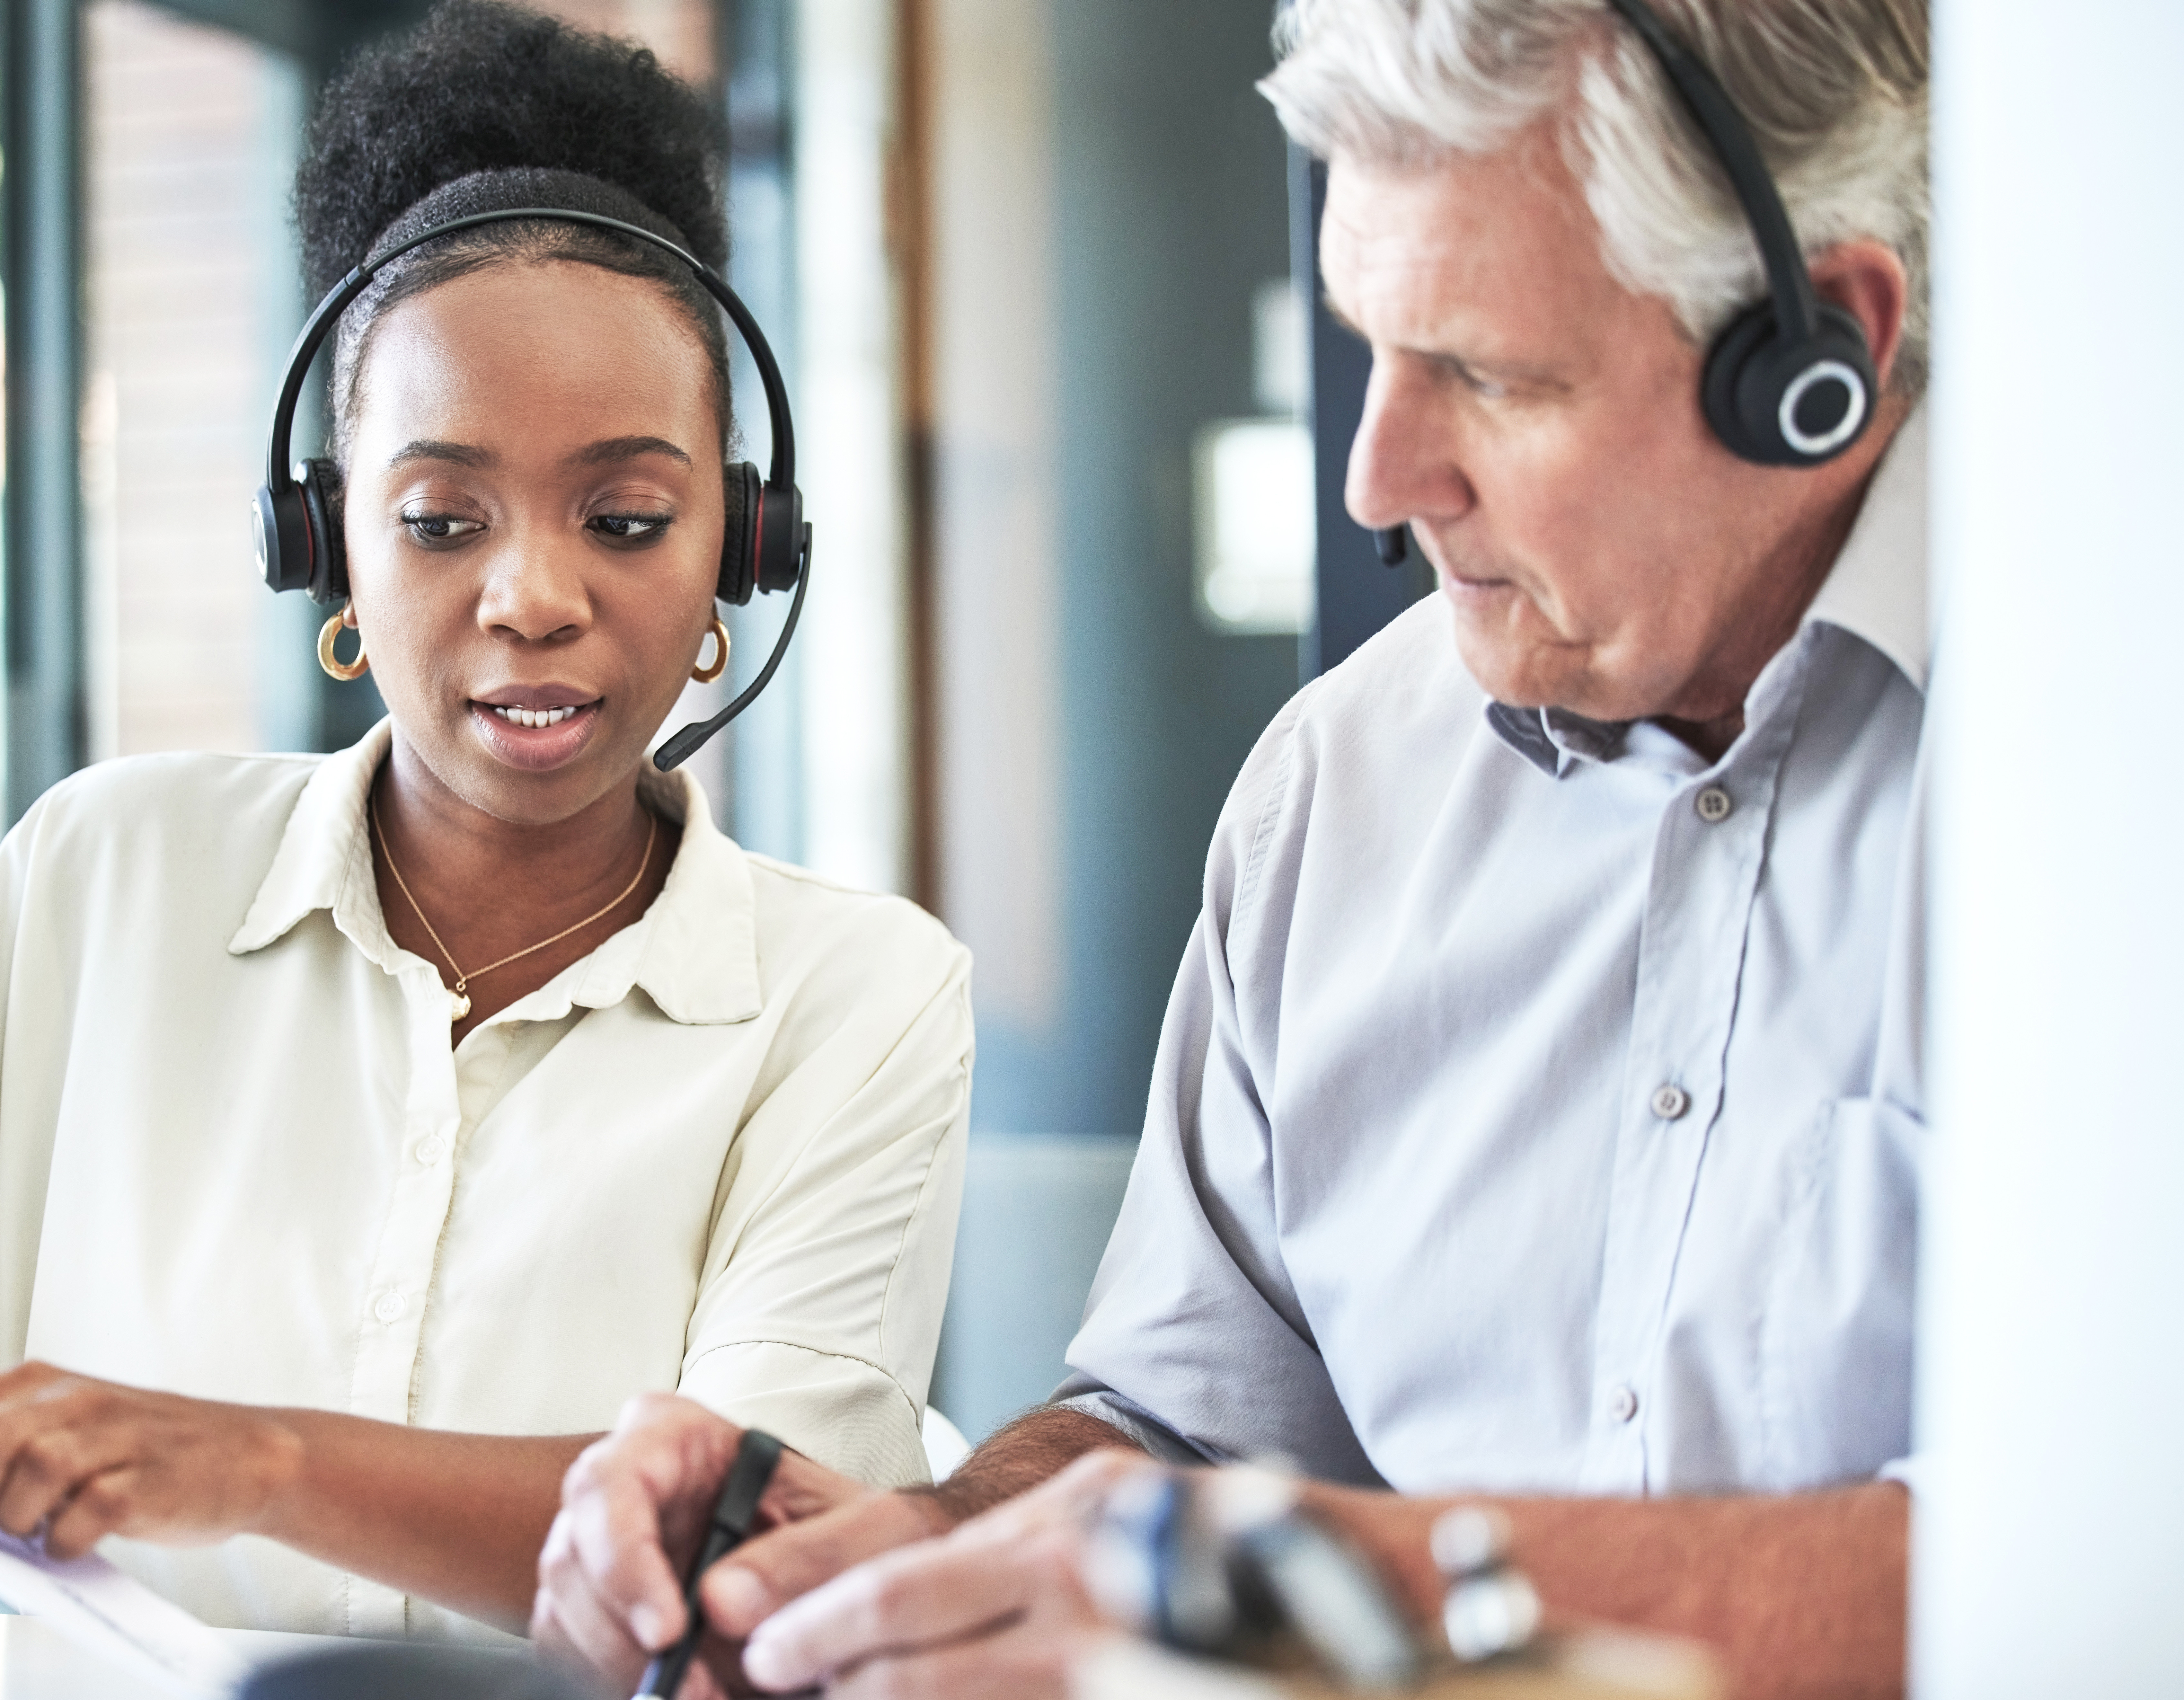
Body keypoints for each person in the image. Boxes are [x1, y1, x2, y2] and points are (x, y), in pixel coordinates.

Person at [532, 1, 1929, 1696]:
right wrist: (935, 1547)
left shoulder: (2111, 806)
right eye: (1370, 345)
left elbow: (2111, 1551)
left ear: (1816, 366)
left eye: (1487, 372)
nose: (1373, 474)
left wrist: (1325, 1585)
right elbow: (1179, 1428)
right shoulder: (1336, 792)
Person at [0, 1, 971, 1642]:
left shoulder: (860, 996)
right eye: (437, 520)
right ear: (324, 541)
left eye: (626, 517)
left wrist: (261, 1465)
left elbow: (746, 1557)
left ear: (740, 549)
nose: (534, 598)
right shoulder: (98, 880)